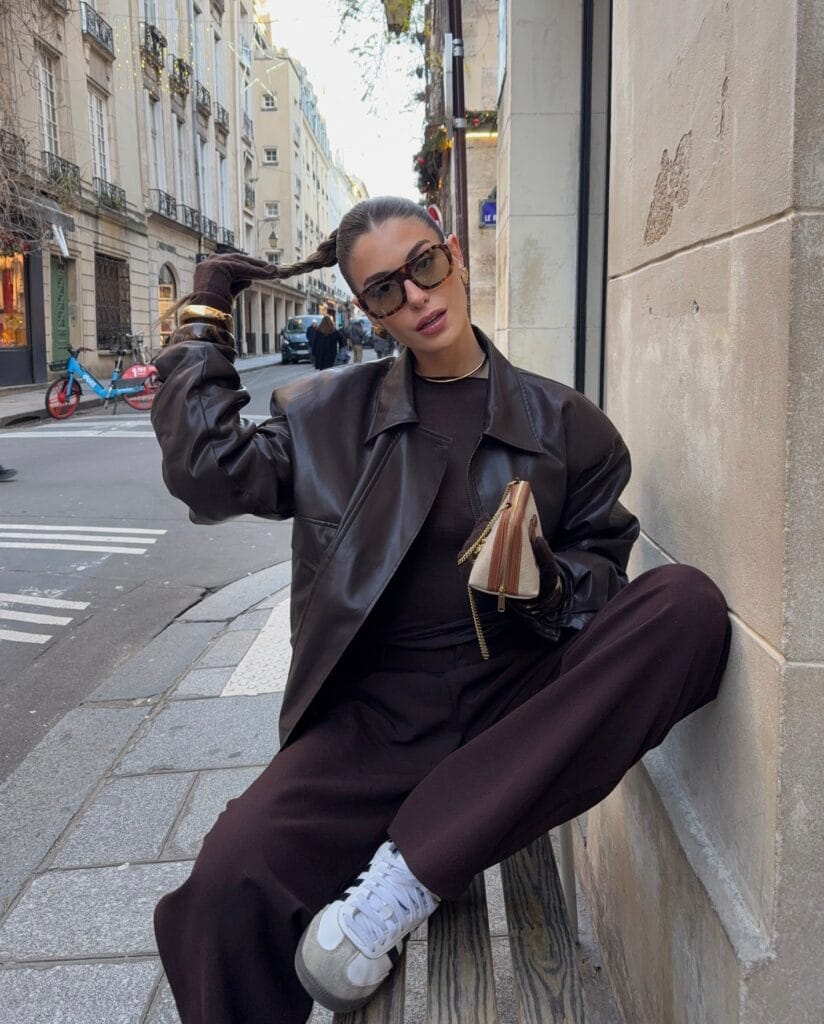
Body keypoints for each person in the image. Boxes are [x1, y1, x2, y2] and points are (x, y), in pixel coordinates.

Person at [150, 196, 731, 1024]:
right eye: (386, 290)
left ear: (452, 254)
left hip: (519, 700)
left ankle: (400, 882)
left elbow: (606, 573)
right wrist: (202, 317)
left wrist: (550, 584)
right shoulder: (326, 418)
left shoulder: (569, 426)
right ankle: (426, 843)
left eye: (423, 265)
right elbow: (208, 472)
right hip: (373, 722)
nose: (418, 298)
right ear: (368, 312)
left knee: (688, 605)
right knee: (221, 890)